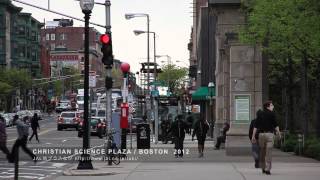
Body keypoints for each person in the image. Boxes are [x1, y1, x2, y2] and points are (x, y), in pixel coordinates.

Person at [251, 101, 281, 175]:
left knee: (262, 152)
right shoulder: (272, 114)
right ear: (268, 106)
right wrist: (279, 133)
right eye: (271, 105)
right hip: (270, 135)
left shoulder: (260, 114)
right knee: (269, 152)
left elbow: (255, 126)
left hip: (261, 135)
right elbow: (276, 124)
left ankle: (263, 168)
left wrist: (253, 136)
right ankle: (268, 169)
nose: (273, 106)